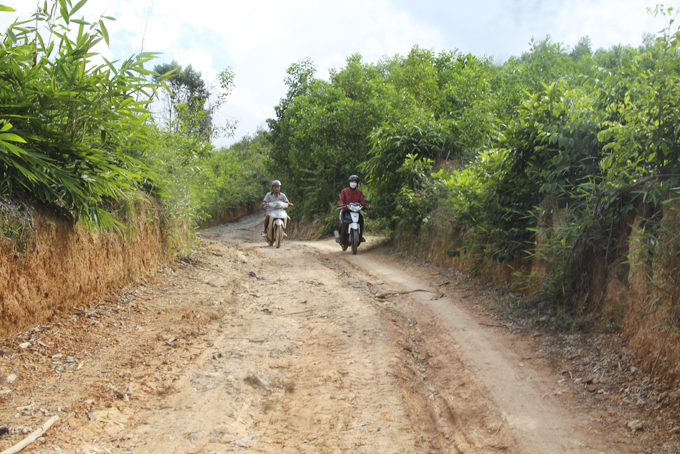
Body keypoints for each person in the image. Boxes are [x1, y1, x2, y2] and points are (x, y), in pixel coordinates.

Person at [338, 175, 368, 242]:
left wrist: (365, 206)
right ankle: (340, 236)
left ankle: (360, 237)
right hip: (346, 211)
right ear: (349, 182)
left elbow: (363, 201)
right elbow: (341, 199)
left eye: (354, 181)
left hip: (356, 211)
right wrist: (341, 204)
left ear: (357, 183)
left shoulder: (360, 192)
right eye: (352, 181)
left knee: (361, 219)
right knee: (345, 221)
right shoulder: (344, 191)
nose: (353, 183)